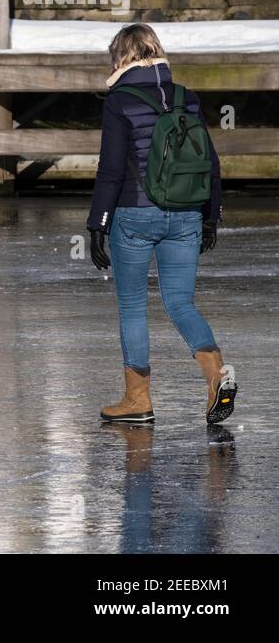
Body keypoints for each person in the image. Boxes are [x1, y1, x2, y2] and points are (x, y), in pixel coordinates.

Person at [87, 23, 235, 425]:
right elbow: (210, 161)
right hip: (187, 212)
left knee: (133, 306)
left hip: (134, 214)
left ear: (121, 56)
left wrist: (97, 223)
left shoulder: (119, 100)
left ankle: (138, 401)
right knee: (180, 302)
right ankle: (217, 376)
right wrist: (211, 215)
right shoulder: (186, 97)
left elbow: (111, 169)